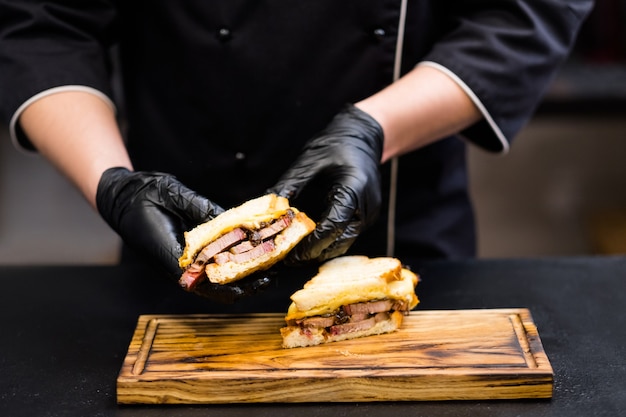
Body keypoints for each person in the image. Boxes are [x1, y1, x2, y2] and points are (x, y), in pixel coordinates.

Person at [0, 1, 593, 302]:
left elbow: (526, 13)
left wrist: (372, 127)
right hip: (168, 242)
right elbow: (44, 22)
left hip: (402, 235)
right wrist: (113, 182)